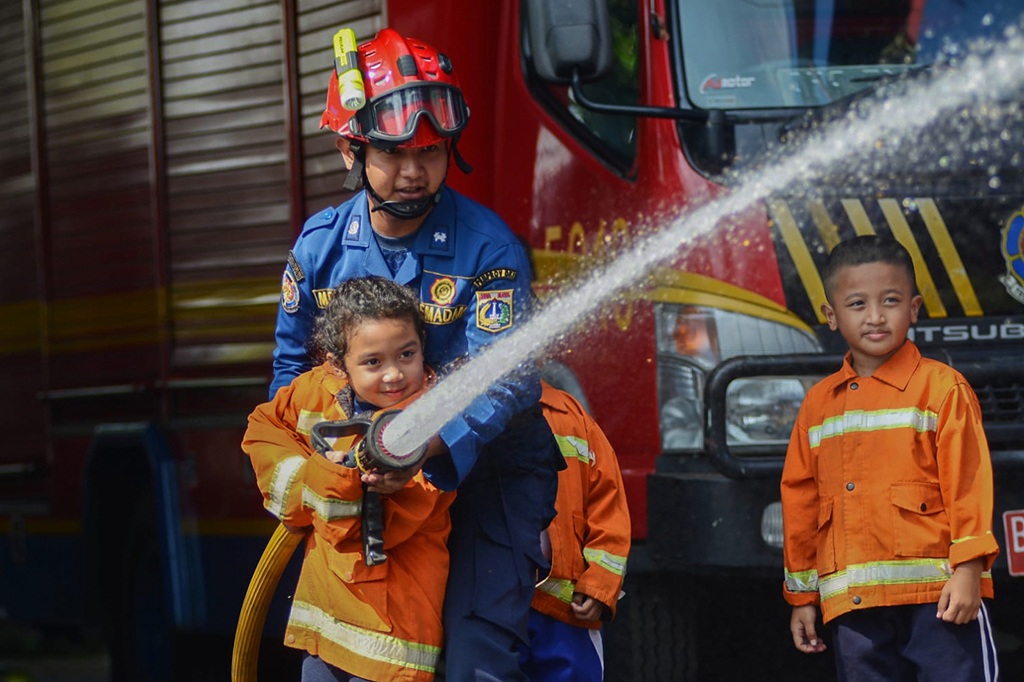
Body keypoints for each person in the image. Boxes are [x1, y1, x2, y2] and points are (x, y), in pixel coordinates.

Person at [270, 28, 563, 680]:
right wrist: (324, 461)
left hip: (486, 479)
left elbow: (507, 381)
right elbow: (290, 375)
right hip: (364, 489)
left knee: (474, 660)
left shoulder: (488, 247)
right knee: (344, 661)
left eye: (430, 152)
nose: (413, 172)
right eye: (394, 152)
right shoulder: (319, 250)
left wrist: (422, 443)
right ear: (351, 148)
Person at [781, 235, 1001, 681]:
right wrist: (802, 597)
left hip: (938, 598)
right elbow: (801, 504)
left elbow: (968, 484)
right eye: (857, 304)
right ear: (831, 315)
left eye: (891, 301)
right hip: (855, 608)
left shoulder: (942, 388)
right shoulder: (818, 405)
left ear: (914, 309)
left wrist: (968, 570)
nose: (876, 316)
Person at [244, 276, 453, 682]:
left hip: (392, 643)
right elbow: (263, 429)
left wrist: (336, 476)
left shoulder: (429, 427)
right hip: (324, 628)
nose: (393, 374)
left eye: (406, 354)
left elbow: (353, 527)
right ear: (339, 364)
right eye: (373, 362)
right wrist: (308, 482)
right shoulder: (316, 391)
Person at [518, 382, 631, 681]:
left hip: (568, 612)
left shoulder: (572, 417)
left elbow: (609, 512)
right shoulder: (469, 414)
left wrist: (599, 586)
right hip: (495, 606)